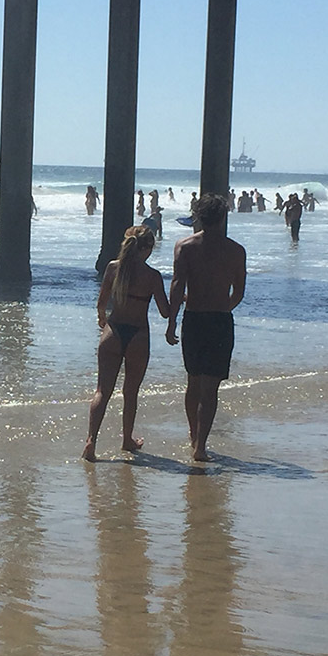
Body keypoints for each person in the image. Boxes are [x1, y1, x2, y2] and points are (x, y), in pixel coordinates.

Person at [165, 194, 246, 462]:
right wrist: (224, 308)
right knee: (210, 387)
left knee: (193, 381)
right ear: (223, 217)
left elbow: (177, 286)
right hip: (220, 320)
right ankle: (200, 446)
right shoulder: (236, 250)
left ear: (198, 216)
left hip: (194, 318)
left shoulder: (185, 246)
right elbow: (239, 292)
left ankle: (193, 434)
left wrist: (172, 320)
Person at [82, 226, 171, 461]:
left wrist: (102, 319)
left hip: (113, 332)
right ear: (148, 249)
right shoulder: (152, 276)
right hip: (138, 336)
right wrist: (180, 299)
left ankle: (91, 441)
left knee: (102, 391)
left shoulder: (113, 268)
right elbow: (164, 312)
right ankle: (127, 440)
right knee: (131, 392)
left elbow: (101, 303)